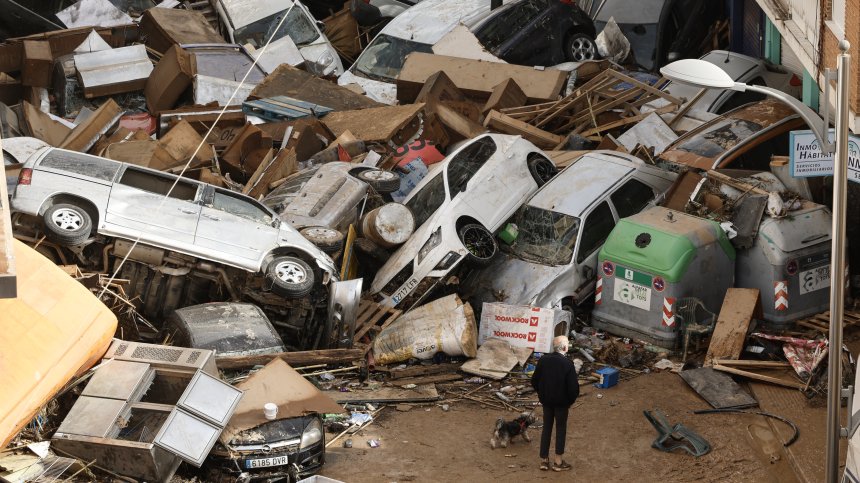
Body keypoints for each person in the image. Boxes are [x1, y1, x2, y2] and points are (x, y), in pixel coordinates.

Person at [531, 335, 579, 472]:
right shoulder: (568, 364)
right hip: (562, 403)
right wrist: (569, 401)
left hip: (546, 401)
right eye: (567, 344)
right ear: (564, 347)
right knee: (560, 429)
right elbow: (573, 388)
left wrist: (542, 394)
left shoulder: (543, 360)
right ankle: (558, 462)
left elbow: (534, 381)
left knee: (547, 428)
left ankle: (544, 461)